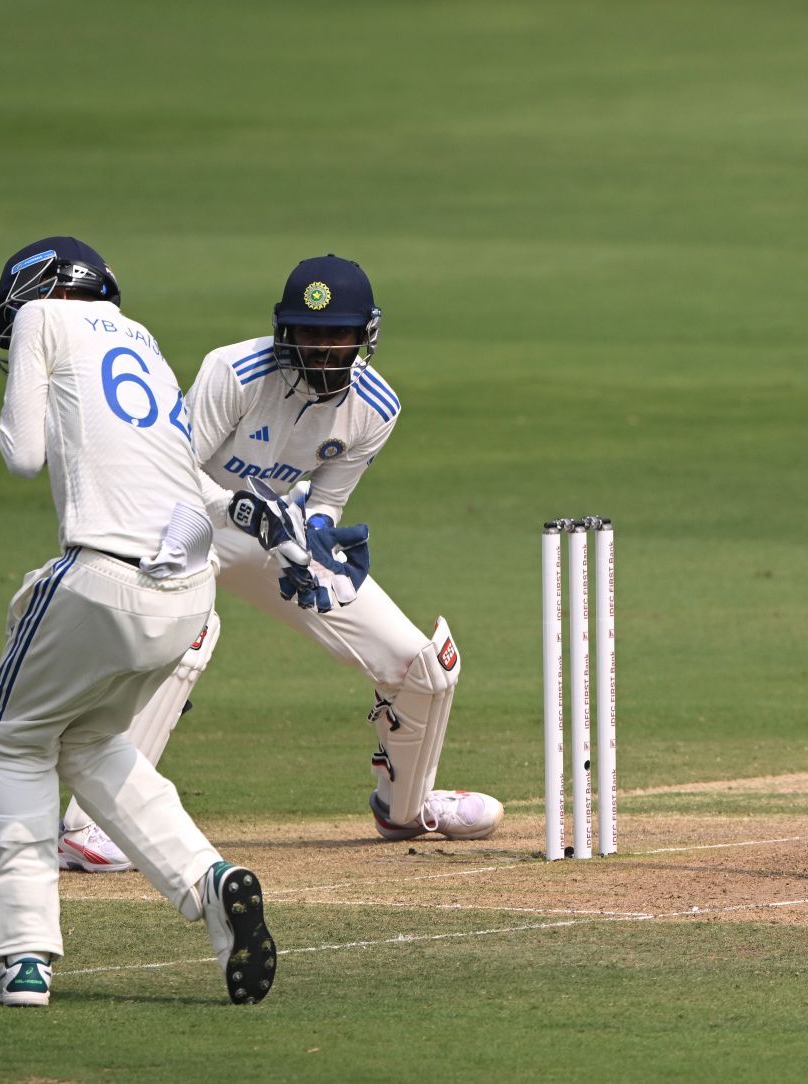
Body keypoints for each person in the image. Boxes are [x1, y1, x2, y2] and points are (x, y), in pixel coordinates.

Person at [55, 255, 501, 874]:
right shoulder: (233, 370)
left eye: (334, 335)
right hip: (183, 524)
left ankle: (405, 808)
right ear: (283, 330)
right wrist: (238, 508)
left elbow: (326, 500)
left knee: (419, 665)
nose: (318, 348)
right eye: (305, 332)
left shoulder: (376, 406)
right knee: (187, 633)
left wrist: (317, 538)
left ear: (364, 335)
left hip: (270, 528)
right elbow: (174, 473)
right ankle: (91, 826)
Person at [0, 237, 282, 1005]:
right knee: (91, 741)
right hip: (185, 597)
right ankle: (211, 883)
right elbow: (190, 483)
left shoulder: (44, 317)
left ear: (42, 289)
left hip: (100, 579)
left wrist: (26, 379)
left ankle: (25, 957)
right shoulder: (143, 342)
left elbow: (20, 455)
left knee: (9, 741)